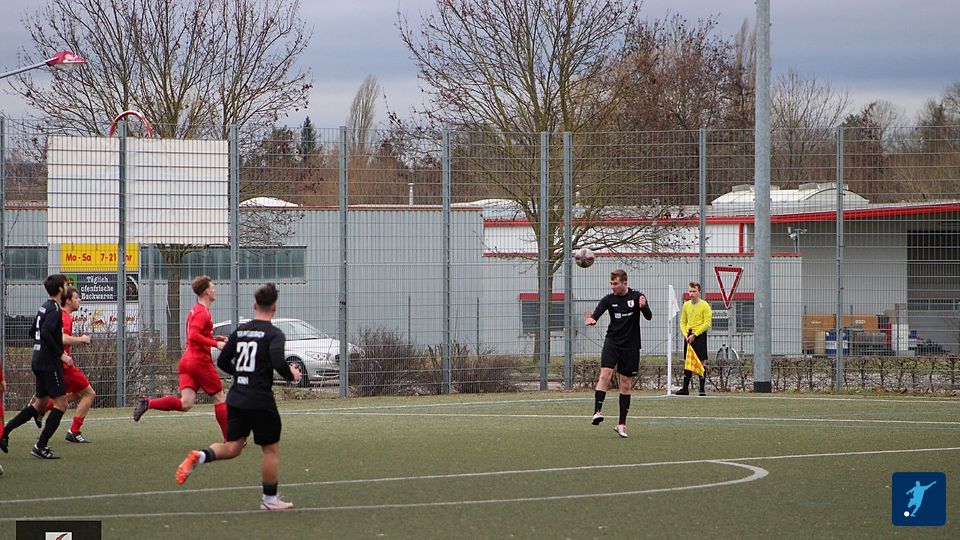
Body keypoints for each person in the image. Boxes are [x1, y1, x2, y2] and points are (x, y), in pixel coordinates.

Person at [175, 283, 301, 511]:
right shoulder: (274, 334)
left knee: (233, 447)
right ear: (274, 307)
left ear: (254, 305)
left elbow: (223, 361)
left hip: (237, 397)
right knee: (271, 449)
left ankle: (200, 456)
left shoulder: (241, 331)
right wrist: (291, 374)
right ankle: (270, 500)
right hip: (260, 400)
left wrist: (242, 374)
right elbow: (278, 361)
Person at [133, 275, 228, 440]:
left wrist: (215, 338)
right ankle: (230, 439)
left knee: (186, 403)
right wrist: (216, 344)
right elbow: (194, 335)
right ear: (206, 292)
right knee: (219, 397)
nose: (215, 290)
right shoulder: (202, 312)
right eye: (212, 287)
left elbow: (198, 335)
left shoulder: (197, 310)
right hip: (199, 361)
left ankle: (148, 403)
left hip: (187, 360)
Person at [0, 274, 71, 459]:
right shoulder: (55, 309)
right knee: (61, 404)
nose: (67, 287)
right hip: (48, 363)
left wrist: (42, 346)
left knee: (40, 404)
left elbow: (33, 331)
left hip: (38, 359)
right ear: (60, 289)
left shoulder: (44, 306)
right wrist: (61, 354)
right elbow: (45, 332)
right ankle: (41, 446)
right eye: (66, 284)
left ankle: (5, 431)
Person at [584, 269, 653, 438]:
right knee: (605, 374)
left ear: (624, 283)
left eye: (615, 283)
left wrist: (643, 307)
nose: (613, 286)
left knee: (626, 384)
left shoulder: (637, 297)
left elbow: (649, 316)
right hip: (612, 342)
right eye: (611, 283)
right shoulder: (608, 299)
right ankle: (597, 412)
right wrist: (592, 319)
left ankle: (621, 424)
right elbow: (597, 314)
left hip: (631, 346)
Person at [33, 287, 95, 442]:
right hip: (64, 366)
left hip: (57, 364)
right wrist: (82, 339)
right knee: (89, 394)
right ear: (68, 301)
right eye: (76, 297)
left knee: (75, 394)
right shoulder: (65, 317)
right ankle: (74, 431)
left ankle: (41, 410)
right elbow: (61, 338)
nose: (79, 300)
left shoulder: (60, 314)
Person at [677, 282, 712, 396]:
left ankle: (701, 389)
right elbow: (683, 321)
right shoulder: (686, 305)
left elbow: (707, 323)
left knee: (701, 361)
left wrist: (695, 335)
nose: (691, 294)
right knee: (687, 362)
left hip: (699, 336)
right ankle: (685, 389)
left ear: (699, 292)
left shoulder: (705, 305)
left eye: (694, 291)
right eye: (690, 291)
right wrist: (685, 334)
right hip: (688, 336)